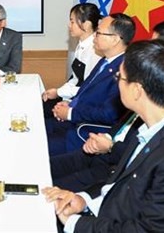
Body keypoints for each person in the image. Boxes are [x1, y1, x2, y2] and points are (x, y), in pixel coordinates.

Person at [43, 40, 164, 232]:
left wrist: (74, 223)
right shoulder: (154, 125)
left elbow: (145, 230)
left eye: (120, 77)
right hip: (101, 213)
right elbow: (121, 184)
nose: (116, 82)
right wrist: (83, 200)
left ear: (137, 90)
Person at [50, 17, 164, 192]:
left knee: (42, 187)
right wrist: (107, 139)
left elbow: (146, 159)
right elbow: (127, 122)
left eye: (153, 44)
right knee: (39, 168)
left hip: (114, 171)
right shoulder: (159, 79)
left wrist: (110, 147)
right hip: (101, 150)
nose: (147, 48)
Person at [46, 13, 135, 156]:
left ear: (115, 40)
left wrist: (70, 113)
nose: (94, 36)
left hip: (87, 133)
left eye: (98, 33)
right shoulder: (106, 60)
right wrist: (70, 105)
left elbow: (109, 114)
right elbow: (86, 91)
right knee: (33, 128)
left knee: (36, 147)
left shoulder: (125, 69)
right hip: (74, 121)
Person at [42, 3, 102, 101]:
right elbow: (75, 79)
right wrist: (60, 93)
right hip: (74, 96)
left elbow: (89, 88)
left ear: (86, 25)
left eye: (72, 22)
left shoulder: (95, 51)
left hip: (85, 101)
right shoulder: (81, 45)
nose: (69, 25)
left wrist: (58, 93)